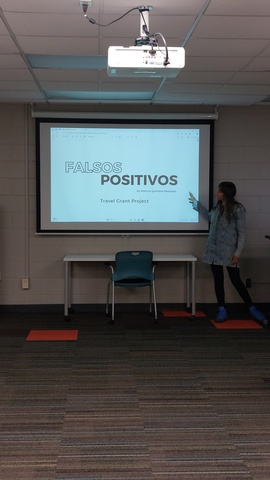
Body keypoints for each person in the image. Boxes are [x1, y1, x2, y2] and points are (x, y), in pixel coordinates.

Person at [188, 182, 268, 325]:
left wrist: (238, 253)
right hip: (213, 252)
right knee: (218, 281)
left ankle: (252, 308)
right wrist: (196, 204)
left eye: (219, 191)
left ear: (225, 193)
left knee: (236, 281)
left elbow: (242, 233)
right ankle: (222, 309)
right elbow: (209, 216)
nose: (217, 193)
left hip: (229, 252)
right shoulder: (218, 208)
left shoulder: (238, 209)